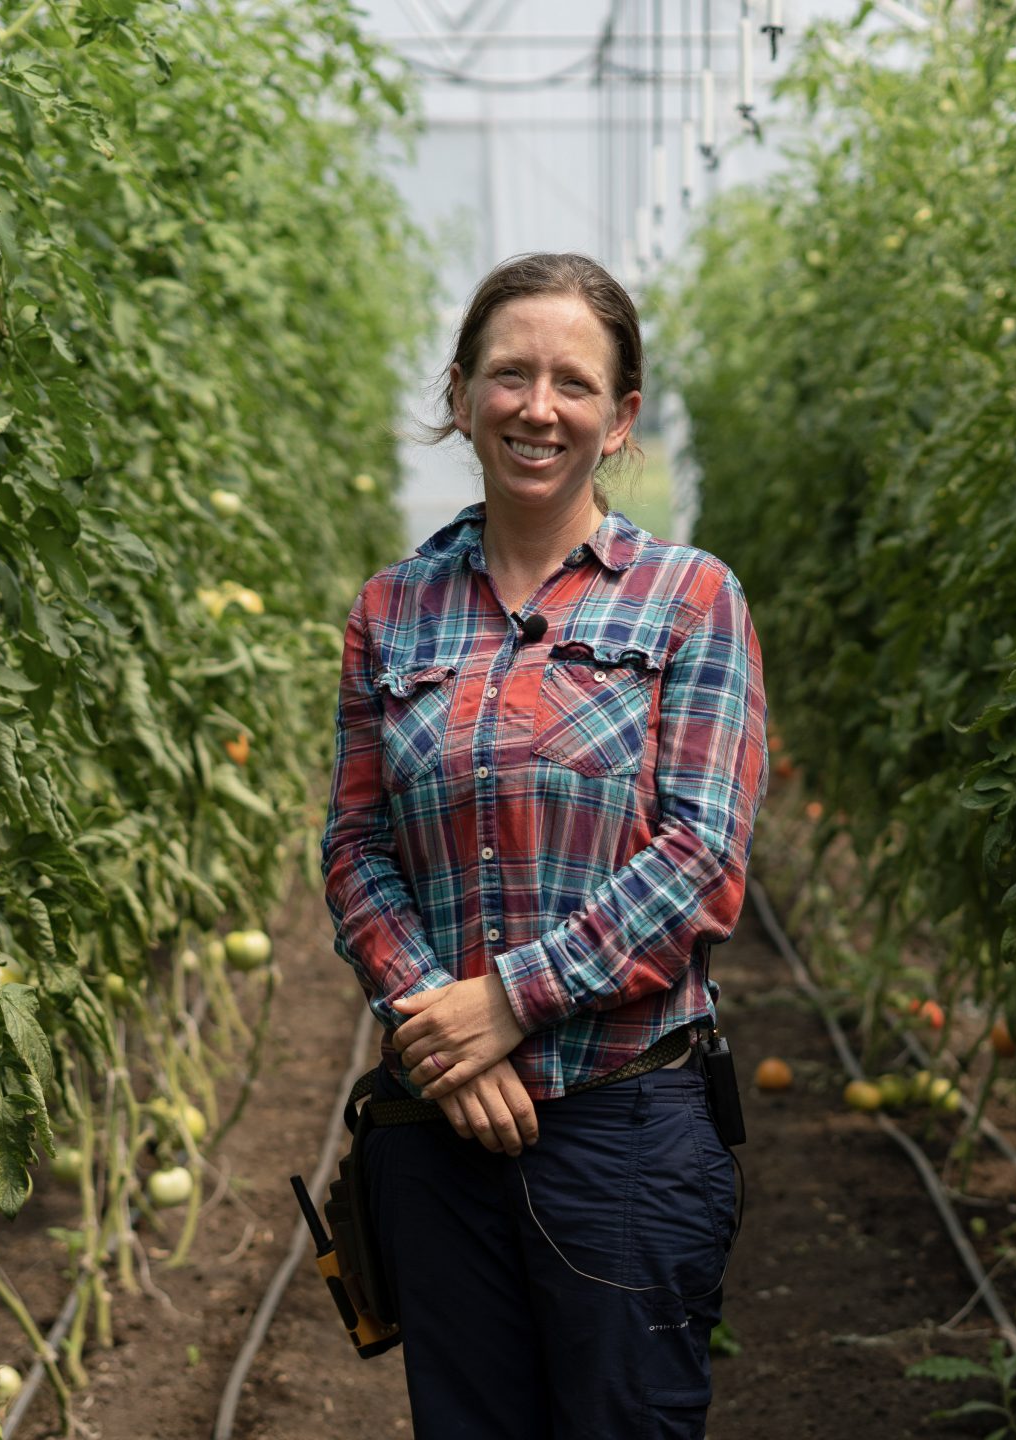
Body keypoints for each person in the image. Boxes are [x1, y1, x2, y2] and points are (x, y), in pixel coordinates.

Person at [321, 251, 768, 1438]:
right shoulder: (390, 611)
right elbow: (355, 849)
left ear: (619, 418)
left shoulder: (688, 600)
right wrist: (445, 1036)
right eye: (509, 375)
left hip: (623, 1128)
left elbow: (702, 855)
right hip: (437, 1139)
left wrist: (510, 1004)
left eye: (573, 383)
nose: (537, 406)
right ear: (461, 392)